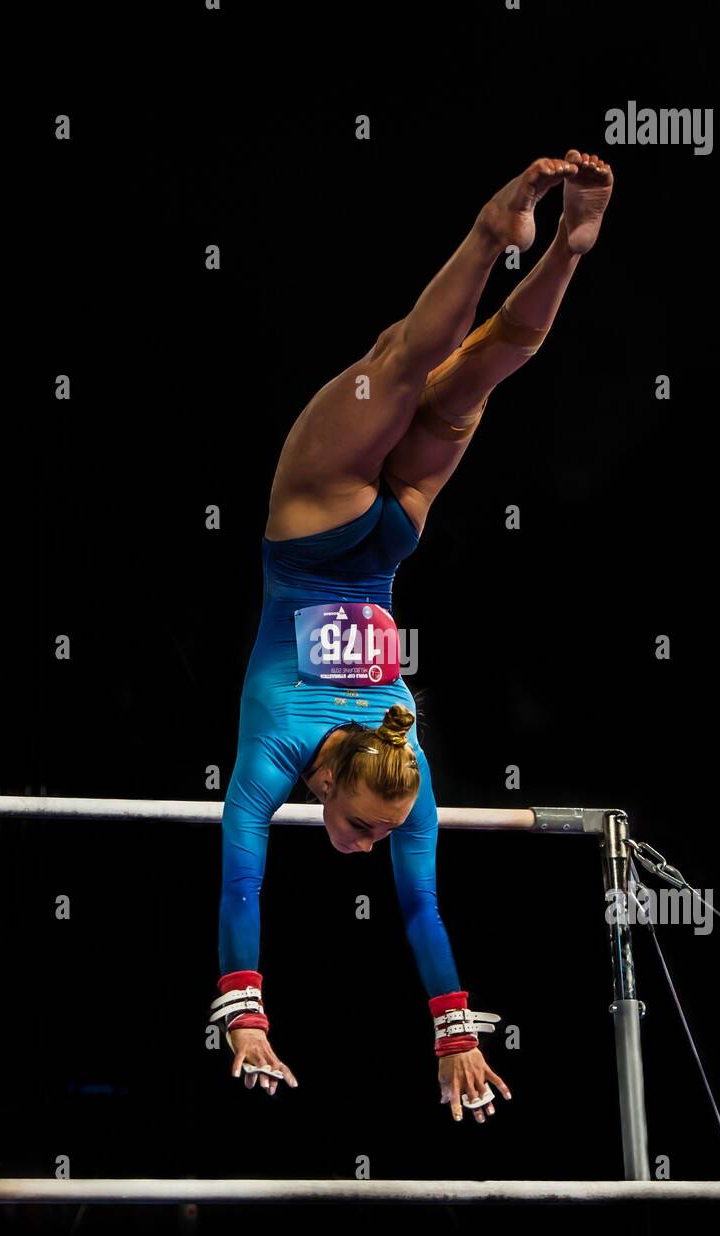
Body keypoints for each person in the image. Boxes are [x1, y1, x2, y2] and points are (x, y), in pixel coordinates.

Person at [209, 150, 614, 1122]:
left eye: (365, 831)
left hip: (354, 522)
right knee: (446, 366)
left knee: (428, 366)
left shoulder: (334, 751)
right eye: (374, 833)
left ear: (326, 784)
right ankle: (534, 238)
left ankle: (535, 237)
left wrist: (247, 1014)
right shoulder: (379, 769)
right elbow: (409, 906)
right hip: (354, 529)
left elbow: (246, 885)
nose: (368, 844)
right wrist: (451, 1033)